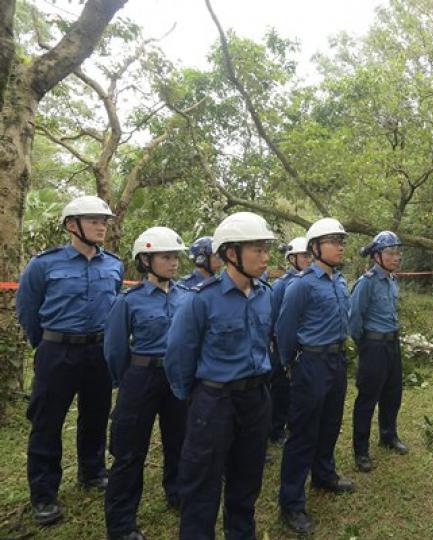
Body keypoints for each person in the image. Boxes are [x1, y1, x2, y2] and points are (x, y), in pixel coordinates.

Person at [163, 212, 276, 540]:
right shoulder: (201, 299)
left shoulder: (266, 294)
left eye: (266, 248)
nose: (265, 256)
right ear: (230, 254)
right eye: (257, 249)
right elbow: (179, 354)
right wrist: (194, 398)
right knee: (202, 483)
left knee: (247, 477)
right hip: (215, 401)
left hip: (256, 399)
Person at [15, 195, 123, 526]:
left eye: (104, 221)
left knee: (96, 414)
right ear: (71, 225)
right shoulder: (43, 265)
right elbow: (28, 311)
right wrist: (47, 344)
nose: (102, 226)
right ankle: (44, 494)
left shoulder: (114, 265)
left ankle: (92, 472)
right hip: (56, 351)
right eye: (94, 220)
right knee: (47, 422)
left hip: (98, 352)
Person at [103, 227, 189, 540]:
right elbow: (114, 348)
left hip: (177, 377)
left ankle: (178, 492)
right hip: (140, 377)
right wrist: (126, 381)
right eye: (166, 257)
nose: (174, 263)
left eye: (176, 257)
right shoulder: (129, 301)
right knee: (129, 451)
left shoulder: (187, 298)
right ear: (145, 260)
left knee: (180, 440)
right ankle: (122, 524)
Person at [276, 218, 354, 535]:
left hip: (337, 361)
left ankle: (325, 474)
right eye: (333, 241)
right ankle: (291, 502)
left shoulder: (339, 282)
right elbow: (284, 329)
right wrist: (291, 364)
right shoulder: (302, 284)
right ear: (315, 248)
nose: (340, 246)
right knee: (303, 433)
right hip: (311, 363)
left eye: (341, 241)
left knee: (330, 423)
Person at [350, 231, 408, 474]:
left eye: (398, 252)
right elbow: (354, 319)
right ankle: (361, 450)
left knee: (392, 393)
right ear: (377, 256)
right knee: (367, 398)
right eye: (390, 253)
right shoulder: (366, 283)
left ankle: (388, 435)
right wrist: (365, 345)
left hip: (392, 344)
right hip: (373, 346)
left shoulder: (392, 280)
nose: (396, 257)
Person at [268, 237, 312, 448]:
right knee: (280, 388)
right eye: (305, 256)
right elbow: (274, 318)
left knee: (295, 390)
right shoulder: (281, 285)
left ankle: (289, 425)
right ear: (292, 258)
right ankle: (275, 430)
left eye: (309, 255)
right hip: (281, 345)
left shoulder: (310, 281)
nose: (308, 259)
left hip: (302, 347)